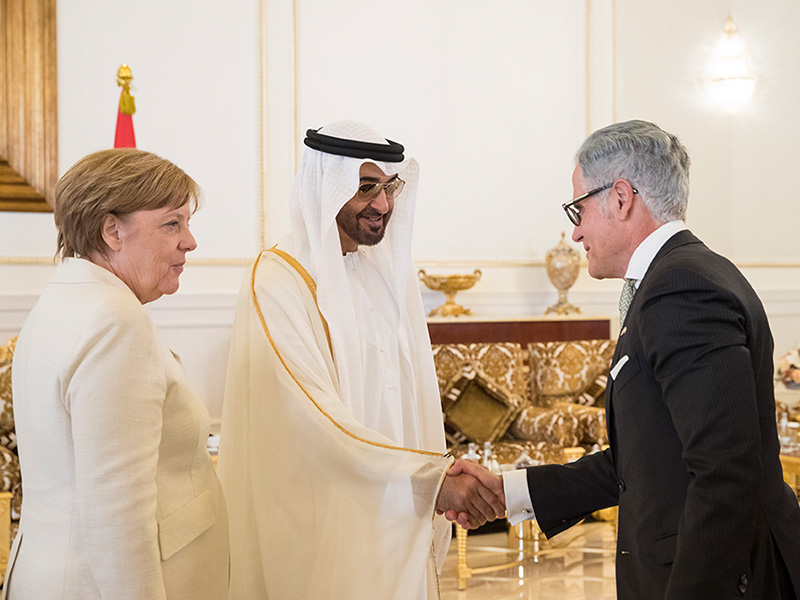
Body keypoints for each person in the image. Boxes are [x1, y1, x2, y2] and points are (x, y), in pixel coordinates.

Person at [459, 119, 800, 599]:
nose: (575, 233)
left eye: (578, 208)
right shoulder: (683, 275)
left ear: (621, 197)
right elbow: (646, 460)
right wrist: (510, 492)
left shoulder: (681, 289)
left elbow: (726, 473)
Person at [218, 120, 504, 599]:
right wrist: (431, 480)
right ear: (325, 189)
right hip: (322, 520)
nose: (382, 204)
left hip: (398, 510)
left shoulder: (385, 275)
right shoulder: (279, 281)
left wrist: (431, 479)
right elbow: (314, 418)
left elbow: (413, 400)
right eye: (364, 188)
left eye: (388, 187)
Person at [3, 149, 229, 600]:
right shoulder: (115, 322)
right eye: (172, 223)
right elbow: (118, 512)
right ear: (113, 231)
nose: (190, 241)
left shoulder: (65, 299)